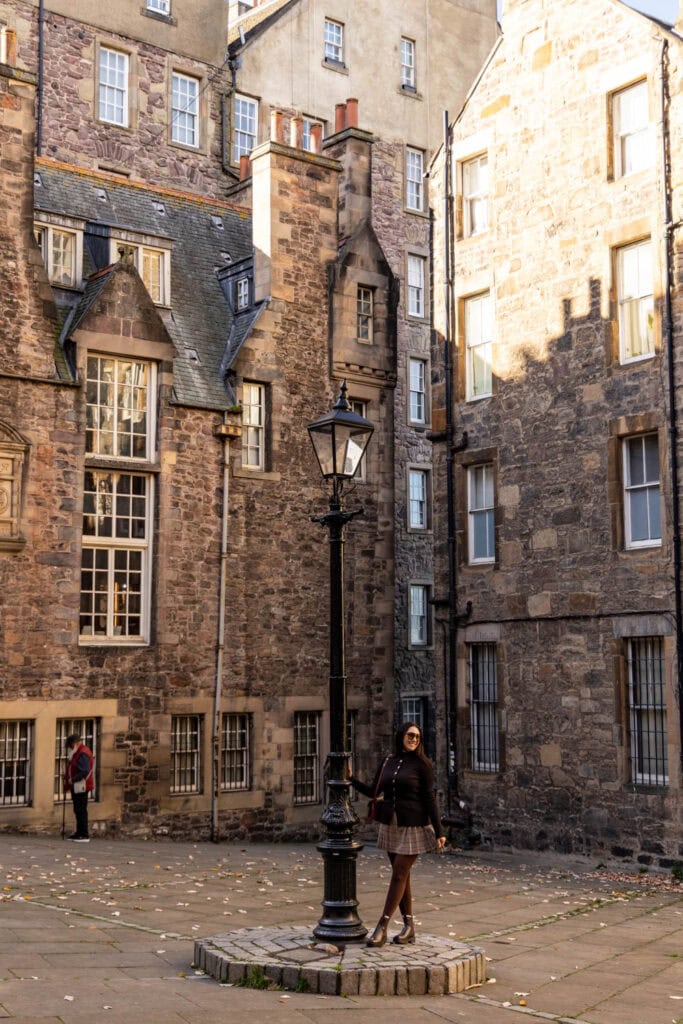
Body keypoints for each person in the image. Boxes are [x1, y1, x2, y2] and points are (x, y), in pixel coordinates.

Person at [349, 721, 446, 947]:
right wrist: (351, 779)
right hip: (391, 824)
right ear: (401, 735)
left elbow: (430, 798)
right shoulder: (388, 761)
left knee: (400, 873)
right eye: (410, 735)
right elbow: (374, 791)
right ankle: (409, 927)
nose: (413, 740)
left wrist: (439, 830)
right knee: (402, 875)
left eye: (417, 737)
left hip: (413, 825)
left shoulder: (423, 765)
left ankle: (382, 926)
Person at [63, 733, 94, 842]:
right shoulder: (79, 752)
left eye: (71, 745)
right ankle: (80, 832)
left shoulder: (82, 753)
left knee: (80, 809)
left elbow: (85, 770)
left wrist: (73, 779)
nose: (70, 748)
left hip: (81, 785)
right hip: (78, 785)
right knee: (78, 809)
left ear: (76, 743)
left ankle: (84, 834)